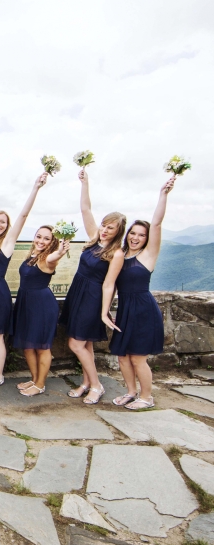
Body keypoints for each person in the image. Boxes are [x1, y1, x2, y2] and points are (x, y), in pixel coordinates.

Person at [101, 177, 175, 410]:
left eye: (141, 235)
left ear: (147, 238)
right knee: (123, 356)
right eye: (132, 233)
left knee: (137, 357)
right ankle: (131, 392)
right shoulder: (121, 254)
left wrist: (163, 194)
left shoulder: (148, 255)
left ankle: (147, 396)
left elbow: (157, 224)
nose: (135, 237)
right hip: (125, 310)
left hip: (143, 310)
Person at [0, 172, 49, 392]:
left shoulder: (7, 243)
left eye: (2, 222)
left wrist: (35, 187)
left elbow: (23, 216)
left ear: (7, 226)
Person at [61, 169, 127, 405]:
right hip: (78, 291)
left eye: (111, 227)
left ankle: (97, 386)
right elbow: (85, 209)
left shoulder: (116, 253)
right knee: (85, 343)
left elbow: (110, 284)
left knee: (75, 343)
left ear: (119, 231)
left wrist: (103, 310)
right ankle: (86, 382)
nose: (105, 229)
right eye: (104, 225)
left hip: (93, 297)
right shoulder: (93, 239)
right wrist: (85, 182)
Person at [13, 228, 71, 396]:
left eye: (46, 239)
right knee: (28, 347)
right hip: (26, 304)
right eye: (38, 236)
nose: (41, 241)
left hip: (42, 306)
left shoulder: (48, 259)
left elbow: (54, 257)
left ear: (52, 242)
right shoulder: (32, 256)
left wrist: (60, 251)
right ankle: (34, 379)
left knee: (42, 347)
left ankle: (40, 384)